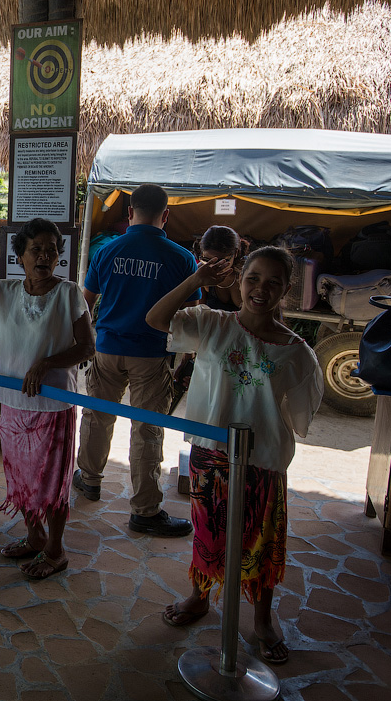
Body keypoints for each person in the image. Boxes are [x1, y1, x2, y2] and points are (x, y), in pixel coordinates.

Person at [146, 246, 322, 665]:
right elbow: (155, 320)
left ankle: (262, 620)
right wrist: (194, 282)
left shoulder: (297, 352)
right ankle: (199, 596)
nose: (261, 289)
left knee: (262, 542)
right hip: (211, 455)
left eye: (273, 282)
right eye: (253, 278)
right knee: (208, 534)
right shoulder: (209, 323)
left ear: (287, 289)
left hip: (262, 461)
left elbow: (296, 418)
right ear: (239, 279)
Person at [0, 218, 94, 579]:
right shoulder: (4, 292)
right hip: (13, 404)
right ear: (21, 256)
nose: (45, 256)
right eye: (36, 250)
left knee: (53, 481)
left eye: (52, 250)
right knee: (21, 478)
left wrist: (47, 364)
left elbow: (87, 346)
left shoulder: (68, 293)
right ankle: (34, 536)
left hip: (54, 405)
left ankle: (56, 550)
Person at [75, 183, 198, 537]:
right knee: (146, 430)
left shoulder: (107, 251)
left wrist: (91, 340)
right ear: (166, 215)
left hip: (107, 348)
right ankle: (144, 509)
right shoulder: (181, 258)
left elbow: (86, 302)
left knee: (97, 417)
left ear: (129, 213)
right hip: (151, 353)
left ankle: (91, 480)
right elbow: (191, 312)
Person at [170, 225, 247, 411]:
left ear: (235, 254)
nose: (213, 266)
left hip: (242, 353)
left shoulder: (247, 277)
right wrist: (188, 358)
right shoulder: (202, 276)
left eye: (221, 261)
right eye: (207, 259)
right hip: (211, 351)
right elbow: (195, 316)